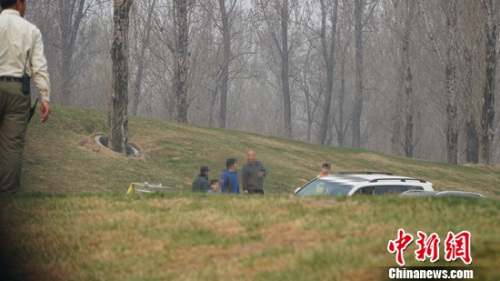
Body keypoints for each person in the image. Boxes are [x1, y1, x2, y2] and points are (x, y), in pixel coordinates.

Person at [0, 0, 51, 194]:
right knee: (12, 150)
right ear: (19, 4)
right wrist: (45, 97)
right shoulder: (31, 31)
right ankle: (8, 200)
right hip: (17, 91)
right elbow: (39, 67)